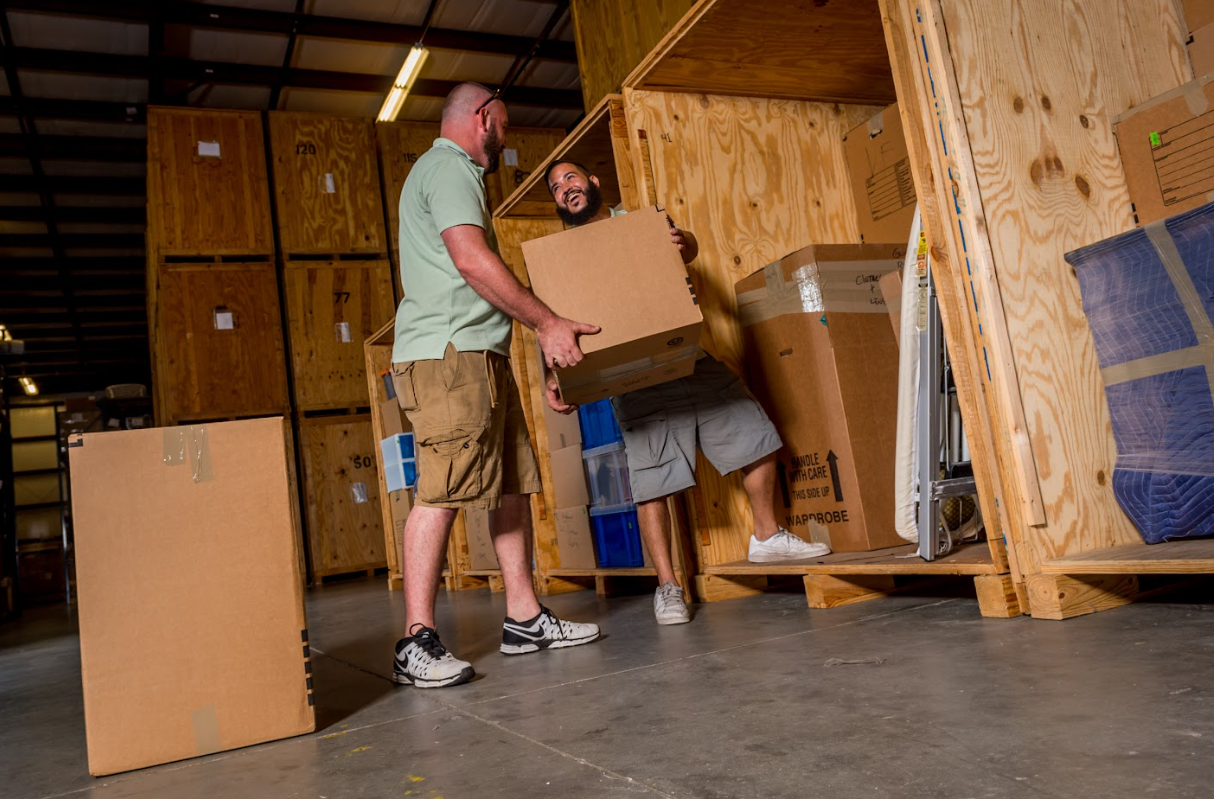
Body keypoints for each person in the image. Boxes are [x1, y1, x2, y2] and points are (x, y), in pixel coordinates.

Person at [543, 160, 832, 626]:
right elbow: (551, 326)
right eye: (556, 187)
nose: (565, 188)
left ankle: (766, 536)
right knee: (651, 482)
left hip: (687, 358)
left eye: (571, 178)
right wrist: (553, 378)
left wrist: (684, 242)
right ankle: (669, 586)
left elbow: (689, 247)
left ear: (594, 183)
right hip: (631, 381)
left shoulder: (640, 224)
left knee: (756, 434)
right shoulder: (561, 259)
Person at [390, 85, 601, 689]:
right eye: (503, 128)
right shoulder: (448, 168)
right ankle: (415, 641)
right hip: (450, 356)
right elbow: (471, 259)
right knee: (445, 486)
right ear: (482, 116)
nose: (504, 141)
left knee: (509, 482)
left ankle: (524, 617)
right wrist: (546, 322)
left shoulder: (450, 175)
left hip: (480, 353)